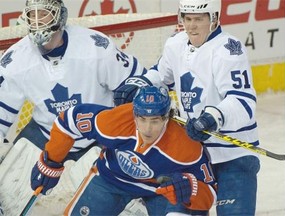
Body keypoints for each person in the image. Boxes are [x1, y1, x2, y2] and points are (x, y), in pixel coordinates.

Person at [113, 0, 261, 215]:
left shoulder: (229, 50)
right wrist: (139, 83)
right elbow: (161, 75)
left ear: (215, 19)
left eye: (199, 19)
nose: (191, 26)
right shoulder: (176, 44)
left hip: (233, 155)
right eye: (187, 18)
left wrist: (212, 118)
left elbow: (243, 101)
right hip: (192, 155)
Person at [30, 86, 217, 216]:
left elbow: (209, 191)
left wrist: (191, 188)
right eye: (142, 119)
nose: (147, 129)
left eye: (155, 121)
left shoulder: (185, 145)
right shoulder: (116, 121)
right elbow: (68, 120)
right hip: (111, 179)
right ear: (134, 114)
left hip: (159, 189)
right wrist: (51, 161)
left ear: (167, 117)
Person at [0, 0, 148, 161]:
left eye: (44, 14)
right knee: (12, 181)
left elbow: (139, 84)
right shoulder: (15, 61)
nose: (38, 21)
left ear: (60, 16)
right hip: (46, 133)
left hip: (99, 132)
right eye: (32, 15)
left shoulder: (95, 47)